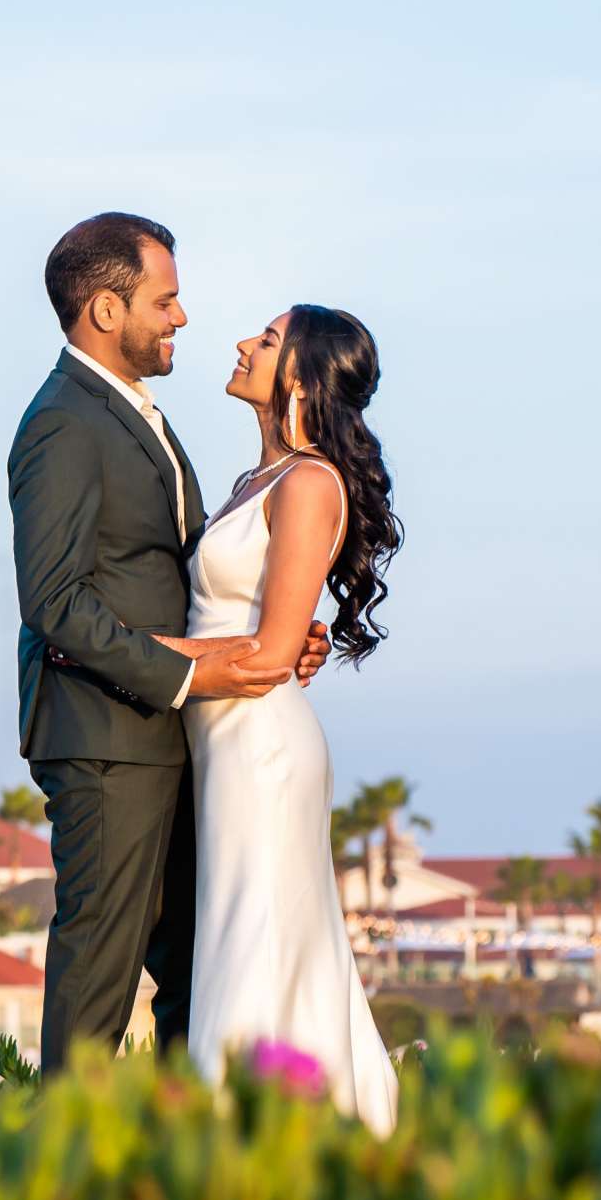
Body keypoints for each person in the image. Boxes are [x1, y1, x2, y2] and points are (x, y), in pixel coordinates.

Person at [7, 214, 329, 1071]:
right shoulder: (65, 423)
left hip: (172, 736)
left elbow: (175, 574)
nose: (182, 318)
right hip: (108, 740)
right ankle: (60, 1164)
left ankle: (180, 1150)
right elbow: (54, 601)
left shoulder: (132, 415)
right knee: (100, 979)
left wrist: (279, 635)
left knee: (197, 972)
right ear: (107, 311)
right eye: (167, 299)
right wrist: (192, 674)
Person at [176, 303, 405, 1136]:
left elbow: (272, 654)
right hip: (222, 740)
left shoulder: (309, 483)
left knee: (260, 935)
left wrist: (114, 645)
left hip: (259, 747)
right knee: (249, 934)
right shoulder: (255, 483)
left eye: (266, 340)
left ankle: (253, 1137)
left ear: (302, 379)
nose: (242, 343)